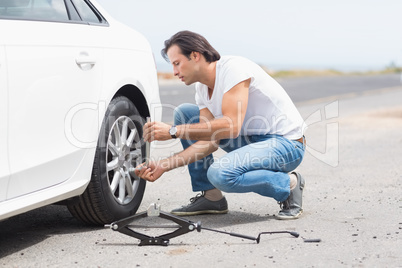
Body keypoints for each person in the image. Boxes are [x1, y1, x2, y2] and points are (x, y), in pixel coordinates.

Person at [135, 30, 306, 220]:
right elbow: (208, 140)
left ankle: (289, 185)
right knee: (185, 113)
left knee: (220, 174)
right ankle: (211, 197)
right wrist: (163, 165)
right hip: (250, 140)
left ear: (195, 56)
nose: (174, 72)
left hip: (287, 145)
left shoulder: (233, 70)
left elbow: (231, 126)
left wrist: (173, 131)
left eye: (177, 63)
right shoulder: (201, 88)